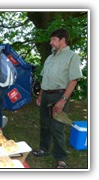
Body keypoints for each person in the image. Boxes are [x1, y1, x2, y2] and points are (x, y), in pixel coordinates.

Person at [32, 28, 83, 168]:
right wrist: (41, 95)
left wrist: (63, 100)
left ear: (62, 40)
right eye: (51, 40)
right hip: (46, 94)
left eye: (54, 39)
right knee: (44, 124)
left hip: (59, 95)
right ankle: (44, 149)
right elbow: (45, 78)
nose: (50, 43)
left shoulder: (72, 56)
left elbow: (73, 81)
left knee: (57, 127)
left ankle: (61, 159)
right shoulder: (50, 57)